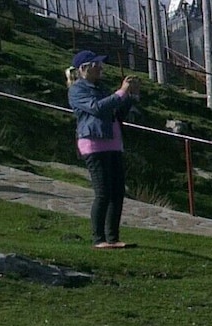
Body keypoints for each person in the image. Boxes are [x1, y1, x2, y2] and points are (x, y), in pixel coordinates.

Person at [68, 50, 139, 250]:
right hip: (93, 143)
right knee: (103, 192)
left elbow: (116, 111)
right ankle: (99, 239)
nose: (100, 68)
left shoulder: (102, 87)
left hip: (113, 143)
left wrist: (130, 96)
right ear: (84, 69)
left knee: (117, 192)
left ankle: (113, 238)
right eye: (96, 65)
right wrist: (120, 93)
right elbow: (97, 108)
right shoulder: (77, 90)